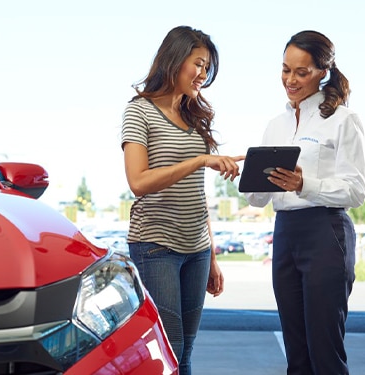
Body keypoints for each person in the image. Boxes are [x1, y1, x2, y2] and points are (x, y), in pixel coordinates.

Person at [121, 25, 244, 375]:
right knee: (168, 350)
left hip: (198, 250)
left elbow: (196, 195)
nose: (203, 74)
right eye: (199, 64)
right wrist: (199, 160)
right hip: (156, 246)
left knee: (185, 353)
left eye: (207, 68)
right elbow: (138, 182)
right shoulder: (139, 111)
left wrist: (213, 256)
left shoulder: (195, 117)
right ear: (174, 61)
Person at [245, 30, 365, 375]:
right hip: (285, 234)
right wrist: (250, 179)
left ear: (322, 72)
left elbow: (356, 190)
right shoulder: (275, 126)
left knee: (325, 352)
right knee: (296, 354)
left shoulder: (342, 120)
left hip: (325, 232)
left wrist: (305, 184)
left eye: (301, 72)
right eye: (285, 70)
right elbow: (258, 200)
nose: (291, 80)